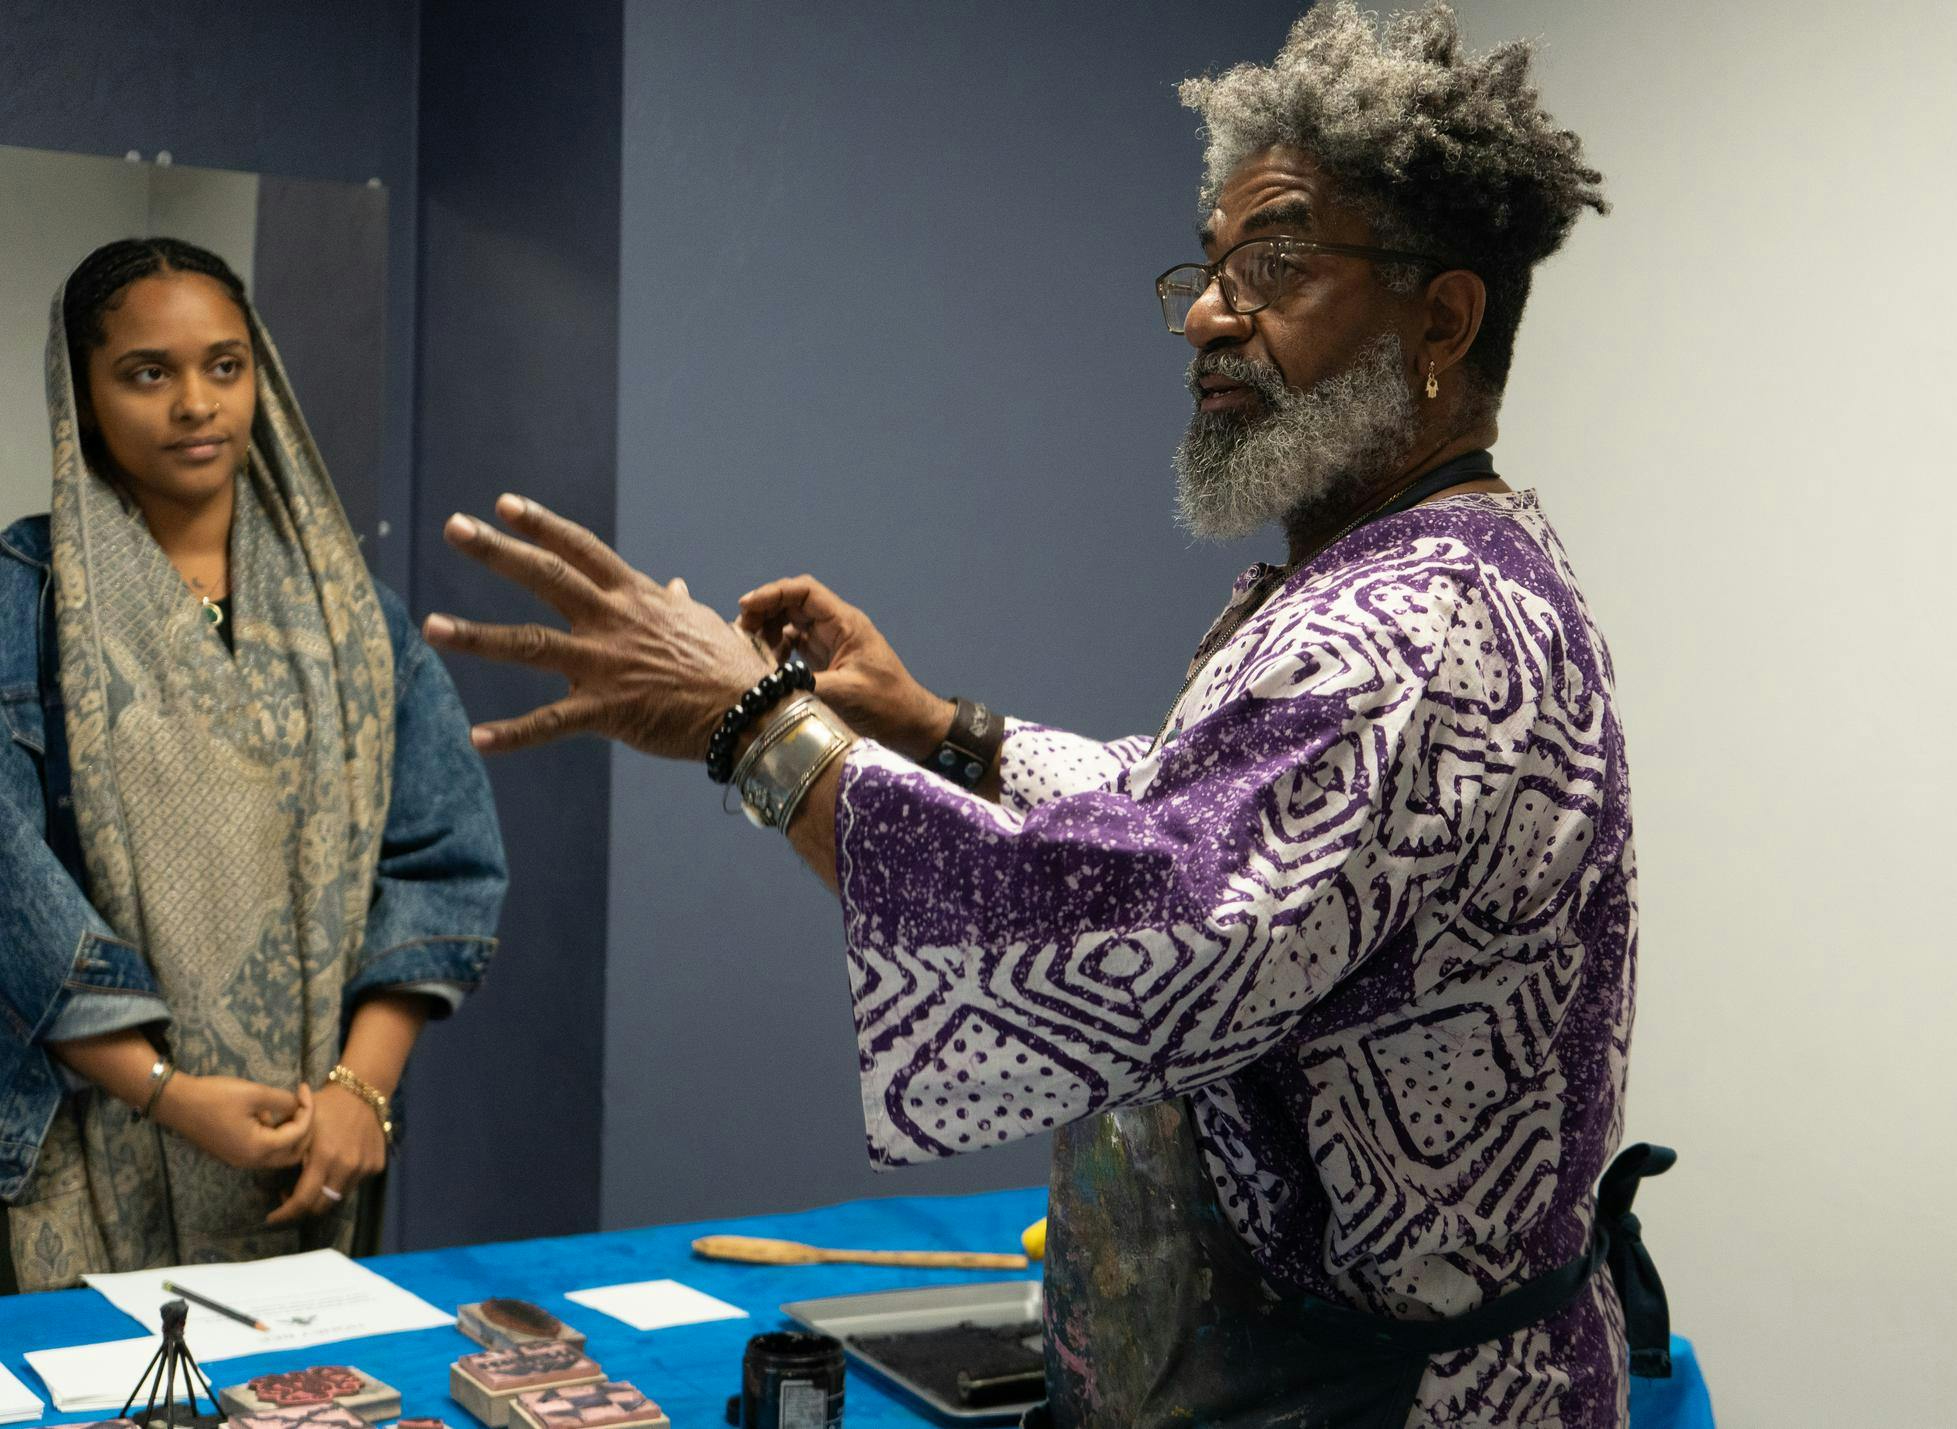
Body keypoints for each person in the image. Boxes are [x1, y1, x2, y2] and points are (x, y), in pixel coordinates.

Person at [426, 5, 1670, 1425]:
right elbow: (1198, 818)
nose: (1207, 315)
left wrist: (755, 722)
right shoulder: (1432, 565)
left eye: (1273, 266)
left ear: (1440, 318)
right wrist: (936, 728)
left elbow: (1148, 940)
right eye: (1208, 269)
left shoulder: (1409, 627)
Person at [0, 238, 507, 1291]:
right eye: (149, 372)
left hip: (315, 1149)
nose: (196, 403)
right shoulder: (22, 604)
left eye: (224, 366)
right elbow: (10, 887)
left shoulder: (352, 613)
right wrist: (166, 1090)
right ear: (83, 394)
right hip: (79, 1148)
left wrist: (360, 1092)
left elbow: (441, 861)